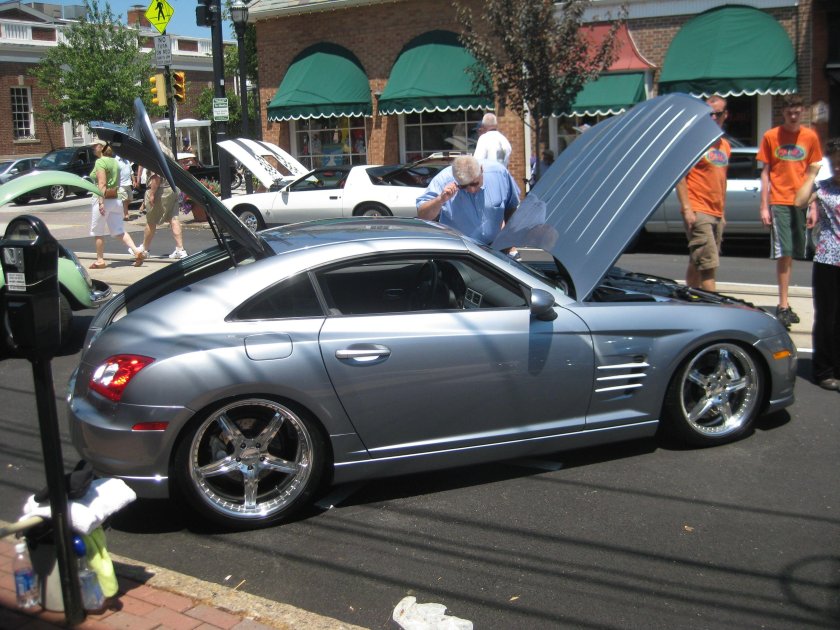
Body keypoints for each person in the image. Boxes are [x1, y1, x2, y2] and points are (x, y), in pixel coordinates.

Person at [757, 94, 823, 329]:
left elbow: (813, 172)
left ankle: (786, 302)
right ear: (783, 113)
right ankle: (783, 305)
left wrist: (813, 205)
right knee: (784, 252)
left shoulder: (810, 137)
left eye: (796, 112)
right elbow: (765, 172)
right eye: (789, 113)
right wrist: (764, 205)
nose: (793, 116)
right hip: (779, 200)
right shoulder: (771, 136)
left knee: (795, 252)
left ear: (802, 111)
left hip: (801, 201)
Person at [795, 138, 840, 390]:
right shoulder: (823, 187)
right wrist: (811, 173)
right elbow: (799, 201)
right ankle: (824, 370)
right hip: (828, 259)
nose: (839, 168)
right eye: (835, 164)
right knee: (827, 316)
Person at [676, 95, 731, 292]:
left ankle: (689, 297)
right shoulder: (693, 142)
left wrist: (722, 213)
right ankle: (712, 305)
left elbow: (721, 180)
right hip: (698, 210)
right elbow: (680, 176)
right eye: (709, 114)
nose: (713, 118)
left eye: (718, 114)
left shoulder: (725, 145)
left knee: (697, 259)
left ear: (725, 115)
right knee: (708, 266)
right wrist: (687, 209)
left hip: (716, 212)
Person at [416, 155, 519, 245]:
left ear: (481, 170)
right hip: (460, 250)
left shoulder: (499, 174)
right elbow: (422, 215)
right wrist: (440, 200)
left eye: (474, 183)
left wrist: (509, 241)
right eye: (463, 186)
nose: (471, 190)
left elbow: (512, 207)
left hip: (495, 247)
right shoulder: (442, 180)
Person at [88, 140, 144, 269]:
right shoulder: (115, 162)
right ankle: (136, 251)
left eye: (94, 146)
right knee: (119, 230)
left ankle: (100, 260)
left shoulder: (100, 162)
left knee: (98, 232)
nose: (92, 148)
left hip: (103, 199)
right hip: (116, 198)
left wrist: (101, 202)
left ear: (101, 147)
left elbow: (102, 183)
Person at [135, 133, 187, 260]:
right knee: (174, 218)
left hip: (161, 190)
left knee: (151, 220)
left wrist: (152, 193)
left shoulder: (155, 151)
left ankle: (144, 249)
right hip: (172, 188)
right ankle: (180, 249)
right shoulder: (167, 150)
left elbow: (156, 175)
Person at [116, 154, 133, 220]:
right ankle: (126, 215)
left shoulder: (127, 161)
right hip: (121, 184)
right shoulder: (115, 161)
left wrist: (134, 181)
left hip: (128, 183)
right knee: (125, 200)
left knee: (130, 199)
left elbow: (131, 172)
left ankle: (123, 209)